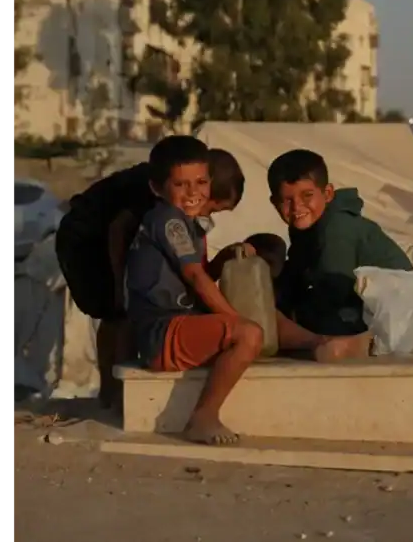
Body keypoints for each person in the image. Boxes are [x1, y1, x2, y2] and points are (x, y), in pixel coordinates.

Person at [126, 137, 333, 445]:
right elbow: (196, 278)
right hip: (162, 331)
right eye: (181, 185)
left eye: (200, 182)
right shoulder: (169, 221)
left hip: (178, 324)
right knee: (247, 333)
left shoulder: (188, 224)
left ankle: (318, 343)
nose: (193, 193)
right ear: (158, 189)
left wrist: (225, 260)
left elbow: (195, 276)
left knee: (256, 313)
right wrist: (236, 321)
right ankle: (203, 416)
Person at [55, 146, 246, 409]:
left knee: (122, 314)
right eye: (212, 211)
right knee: (116, 314)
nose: (207, 216)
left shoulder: (176, 199)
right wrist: (121, 286)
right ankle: (112, 396)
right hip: (86, 236)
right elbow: (118, 230)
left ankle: (113, 395)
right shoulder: (159, 196)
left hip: (107, 235)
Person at [268, 149, 413, 360]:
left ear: (327, 194)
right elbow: (297, 272)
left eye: (307, 195)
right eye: (287, 200)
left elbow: (333, 290)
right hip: (363, 304)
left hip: (398, 310)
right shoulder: (306, 228)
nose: (297, 206)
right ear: (275, 203)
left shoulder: (336, 227)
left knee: (320, 323)